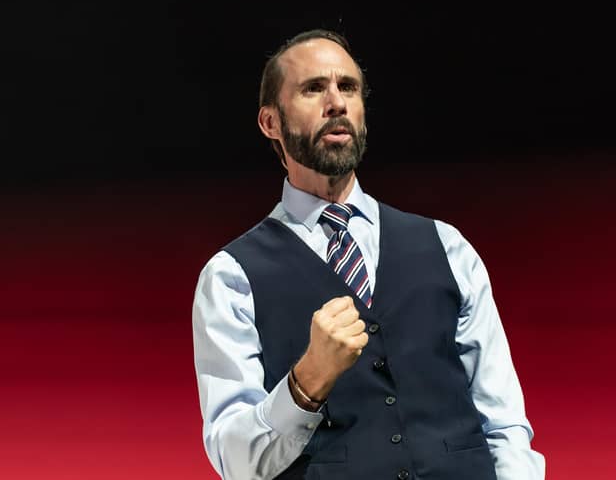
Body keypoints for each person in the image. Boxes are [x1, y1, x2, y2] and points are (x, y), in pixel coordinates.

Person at [192, 28, 545, 480]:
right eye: (313, 88)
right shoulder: (231, 278)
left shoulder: (447, 247)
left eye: (349, 88)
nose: (336, 102)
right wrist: (307, 383)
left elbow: (504, 424)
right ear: (270, 122)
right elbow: (236, 461)